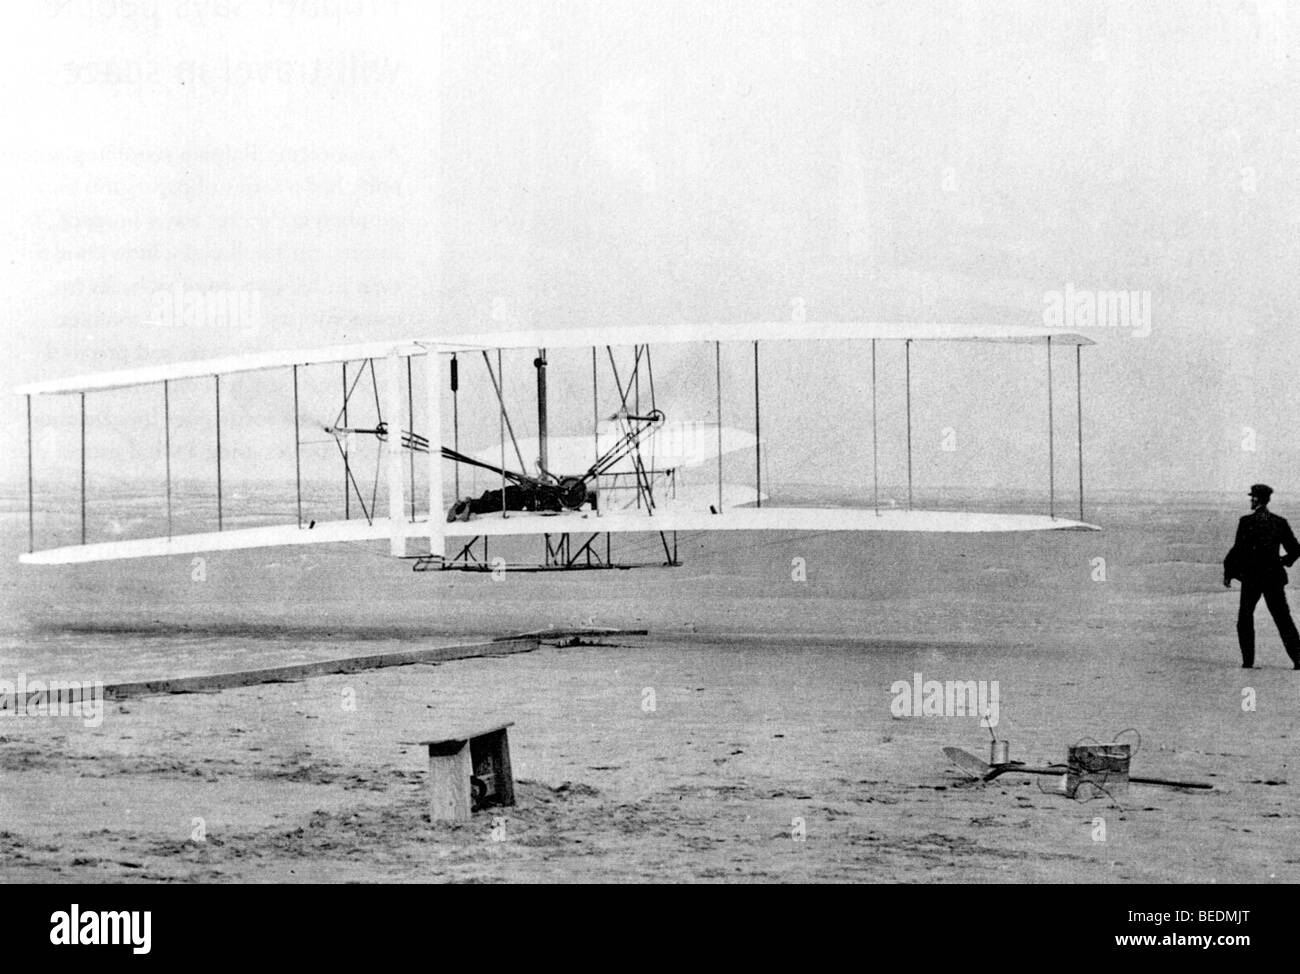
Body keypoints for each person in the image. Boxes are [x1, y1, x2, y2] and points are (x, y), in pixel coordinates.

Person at [1223, 484, 1300, 669]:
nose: (1251, 500)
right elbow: (1296, 549)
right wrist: (1282, 561)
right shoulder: (1279, 522)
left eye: (1252, 498)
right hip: (1273, 577)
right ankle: (1298, 660)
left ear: (1257, 499)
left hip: (1252, 577)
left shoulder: (1246, 522)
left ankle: (1248, 662)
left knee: (1245, 618)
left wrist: (1229, 572)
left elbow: (1238, 550)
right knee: (1283, 619)